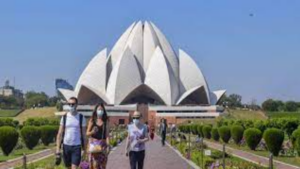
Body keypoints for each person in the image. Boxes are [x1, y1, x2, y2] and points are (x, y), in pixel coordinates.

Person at [56, 97, 87, 169]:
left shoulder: (81, 117)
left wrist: (85, 150)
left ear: (76, 105)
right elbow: (59, 134)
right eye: (69, 104)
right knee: (68, 167)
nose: (71, 106)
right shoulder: (64, 117)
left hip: (77, 146)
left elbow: (84, 135)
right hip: (66, 146)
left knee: (74, 167)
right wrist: (58, 149)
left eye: (72, 104)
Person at [86, 103, 110, 169]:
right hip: (93, 145)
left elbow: (107, 134)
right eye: (99, 109)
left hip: (102, 145)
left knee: (103, 165)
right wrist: (92, 132)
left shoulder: (106, 121)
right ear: (96, 110)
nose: (100, 111)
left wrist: (108, 145)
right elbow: (87, 133)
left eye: (102, 110)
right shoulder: (92, 120)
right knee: (93, 165)